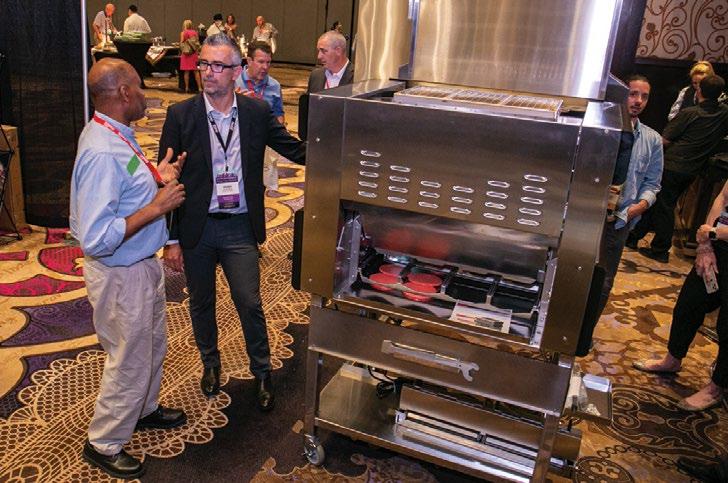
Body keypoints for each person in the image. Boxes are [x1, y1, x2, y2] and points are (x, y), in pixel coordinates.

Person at [158, 34, 305, 412]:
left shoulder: (256, 113)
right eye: (204, 64)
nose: (208, 72)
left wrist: (340, 147)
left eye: (218, 66)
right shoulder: (181, 115)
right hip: (198, 227)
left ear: (237, 71)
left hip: (239, 226)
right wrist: (171, 239)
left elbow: (294, 149)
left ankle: (262, 371)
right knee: (201, 302)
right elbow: (167, 180)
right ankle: (210, 363)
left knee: (249, 302)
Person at [71, 58, 188, 479]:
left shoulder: (115, 134)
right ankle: (103, 442)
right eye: (139, 86)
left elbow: (123, 191)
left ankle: (143, 409)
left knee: (152, 346)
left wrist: (157, 178)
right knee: (129, 359)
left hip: (139, 265)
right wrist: (156, 207)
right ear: (123, 93)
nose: (145, 94)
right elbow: (96, 237)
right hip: (120, 274)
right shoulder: (102, 152)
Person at [576, 75, 663, 356]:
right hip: (585, 214)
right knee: (573, 269)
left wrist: (641, 206)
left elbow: (653, 183)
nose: (638, 101)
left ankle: (583, 334)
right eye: (633, 94)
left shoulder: (651, 139)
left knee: (603, 280)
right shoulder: (599, 129)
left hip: (621, 218)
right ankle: (563, 325)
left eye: (644, 96)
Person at [633, 178, 728, 411]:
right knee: (689, 304)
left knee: (727, 327)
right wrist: (705, 245)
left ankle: (717, 387)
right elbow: (723, 196)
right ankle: (673, 359)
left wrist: (713, 232)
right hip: (717, 244)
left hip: (718, 235)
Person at [626, 74, 728, 263]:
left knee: (664, 206)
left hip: (673, 165)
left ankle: (660, 249)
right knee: (659, 203)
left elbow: (664, 139)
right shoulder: (723, 113)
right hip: (693, 169)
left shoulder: (690, 113)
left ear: (699, 91)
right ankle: (633, 237)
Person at [235, 41, 285, 125]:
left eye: (268, 62)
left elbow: (279, 115)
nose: (265, 67)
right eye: (261, 62)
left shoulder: (275, 86)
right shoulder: (233, 82)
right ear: (249, 61)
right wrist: (235, 101)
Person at [180, 19, 201, 94]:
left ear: (185, 25)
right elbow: (197, 42)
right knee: (196, 71)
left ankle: (186, 88)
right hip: (193, 54)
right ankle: (199, 87)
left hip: (186, 54)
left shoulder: (183, 33)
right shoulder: (195, 32)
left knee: (186, 72)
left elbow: (181, 43)